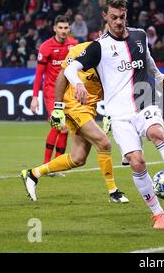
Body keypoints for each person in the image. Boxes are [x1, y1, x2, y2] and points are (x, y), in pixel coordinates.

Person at [64, 0, 164, 229]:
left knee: (157, 133)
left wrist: (159, 75)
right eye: (113, 17)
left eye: (122, 17)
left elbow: (148, 60)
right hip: (119, 114)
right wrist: (78, 84)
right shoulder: (98, 47)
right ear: (105, 17)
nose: (118, 22)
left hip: (145, 102)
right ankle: (158, 213)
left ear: (126, 15)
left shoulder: (139, 36)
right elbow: (71, 68)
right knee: (137, 161)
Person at [21, 32, 129, 204]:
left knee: (78, 158)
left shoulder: (115, 59)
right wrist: (58, 108)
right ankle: (113, 192)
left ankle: (33, 174)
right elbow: (62, 75)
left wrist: (111, 113)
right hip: (73, 104)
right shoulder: (81, 50)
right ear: (100, 35)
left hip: (90, 108)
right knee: (104, 142)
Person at [31, 15, 78, 167]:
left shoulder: (74, 44)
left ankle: (56, 167)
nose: (63, 31)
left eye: (66, 28)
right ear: (55, 29)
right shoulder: (45, 47)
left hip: (68, 92)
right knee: (59, 125)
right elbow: (39, 74)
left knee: (65, 129)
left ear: (69, 28)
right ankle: (47, 164)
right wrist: (34, 97)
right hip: (51, 92)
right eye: (60, 28)